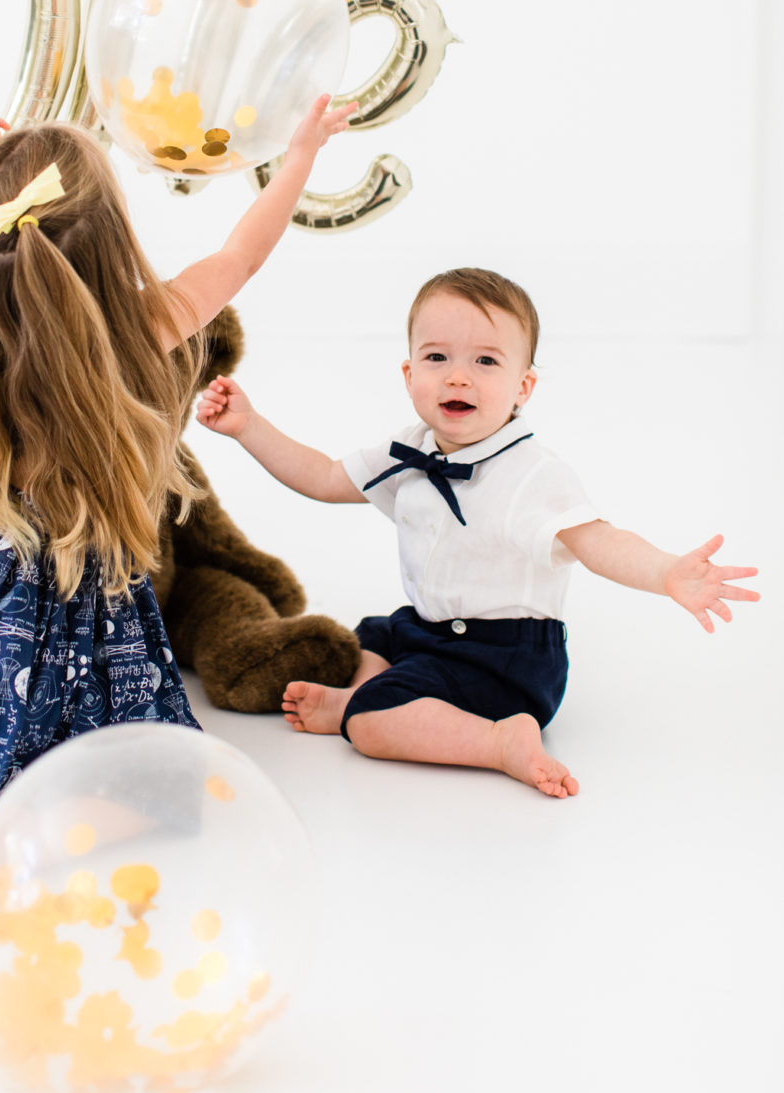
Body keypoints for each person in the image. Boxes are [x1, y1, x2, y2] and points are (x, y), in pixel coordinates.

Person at [0, 97, 353, 911]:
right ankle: (19, 844)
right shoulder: (150, 323)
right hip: (83, 575)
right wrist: (300, 155)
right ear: (111, 244)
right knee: (106, 750)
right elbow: (243, 255)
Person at [196, 266, 759, 798]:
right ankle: (368, 694)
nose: (458, 375)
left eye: (486, 361)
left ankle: (492, 740)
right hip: (430, 631)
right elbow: (322, 477)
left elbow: (598, 540)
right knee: (369, 637)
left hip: (506, 658)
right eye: (437, 356)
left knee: (370, 728)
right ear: (410, 374)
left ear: (524, 386)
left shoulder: (533, 474)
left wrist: (666, 572)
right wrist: (249, 427)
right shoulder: (413, 449)